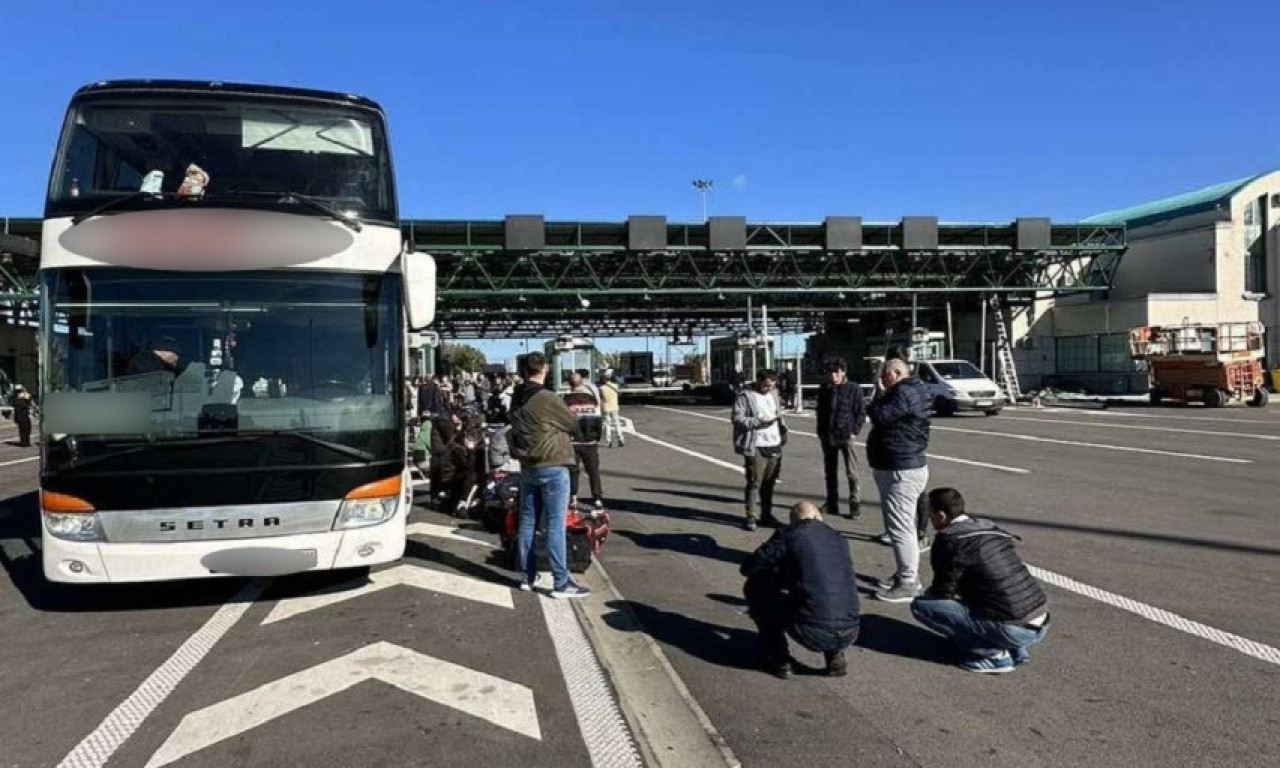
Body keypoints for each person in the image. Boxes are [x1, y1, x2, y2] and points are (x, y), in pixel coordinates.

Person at [911, 488, 1049, 674]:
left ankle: (991, 656)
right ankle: (1016, 649)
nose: (929, 520)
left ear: (941, 515)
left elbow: (943, 591)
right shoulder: (989, 528)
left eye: (930, 515)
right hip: (1040, 619)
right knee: (996, 595)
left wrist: (932, 594)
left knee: (923, 606)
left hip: (1014, 628)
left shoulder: (950, 540)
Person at [740, 501, 861, 679]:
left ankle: (779, 659)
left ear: (794, 521)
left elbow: (749, 567)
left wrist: (777, 572)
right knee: (826, 592)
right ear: (818, 517)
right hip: (851, 630)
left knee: (756, 585)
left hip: (813, 630)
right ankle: (835, 656)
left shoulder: (790, 534)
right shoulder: (838, 538)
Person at [508, 352, 590, 598]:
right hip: (553, 464)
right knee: (555, 524)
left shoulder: (517, 398)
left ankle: (526, 575)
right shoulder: (547, 398)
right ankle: (561, 582)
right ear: (543, 369)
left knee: (527, 522)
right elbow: (572, 424)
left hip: (528, 466)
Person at [866, 358, 932, 603]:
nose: (882, 378)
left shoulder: (903, 393)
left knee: (901, 527)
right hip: (903, 463)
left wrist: (879, 393)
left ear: (895, 373)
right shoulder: (914, 389)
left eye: (884, 375)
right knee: (901, 525)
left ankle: (908, 582)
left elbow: (878, 414)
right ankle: (905, 574)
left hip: (900, 466)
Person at [732, 368, 786, 531]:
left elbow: (779, 414)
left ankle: (766, 514)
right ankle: (750, 515)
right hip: (756, 444)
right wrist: (757, 421)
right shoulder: (745, 395)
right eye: (765, 385)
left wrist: (783, 429)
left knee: (769, 483)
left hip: (774, 442)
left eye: (771, 385)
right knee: (755, 481)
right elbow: (736, 418)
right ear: (758, 381)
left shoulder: (774, 394)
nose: (767, 388)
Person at [815, 358, 866, 520]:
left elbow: (860, 412)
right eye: (830, 373)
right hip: (828, 435)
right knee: (830, 471)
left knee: (852, 472)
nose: (833, 376)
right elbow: (820, 412)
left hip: (846, 435)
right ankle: (832, 502)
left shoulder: (853, 388)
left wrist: (854, 431)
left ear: (843, 372)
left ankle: (854, 503)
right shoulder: (825, 389)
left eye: (836, 372)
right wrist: (821, 431)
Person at [564, 370, 605, 510]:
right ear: (582, 383)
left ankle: (572, 498)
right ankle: (597, 498)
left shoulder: (566, 400)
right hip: (590, 441)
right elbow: (598, 420)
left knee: (572, 471)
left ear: (569, 384)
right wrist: (597, 436)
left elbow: (563, 422)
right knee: (593, 471)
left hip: (572, 441)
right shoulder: (592, 400)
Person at [599, 373, 624, 448]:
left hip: (606, 407)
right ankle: (620, 439)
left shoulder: (601, 388)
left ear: (604, 379)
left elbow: (601, 398)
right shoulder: (615, 386)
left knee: (607, 424)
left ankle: (608, 441)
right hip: (615, 406)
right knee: (617, 424)